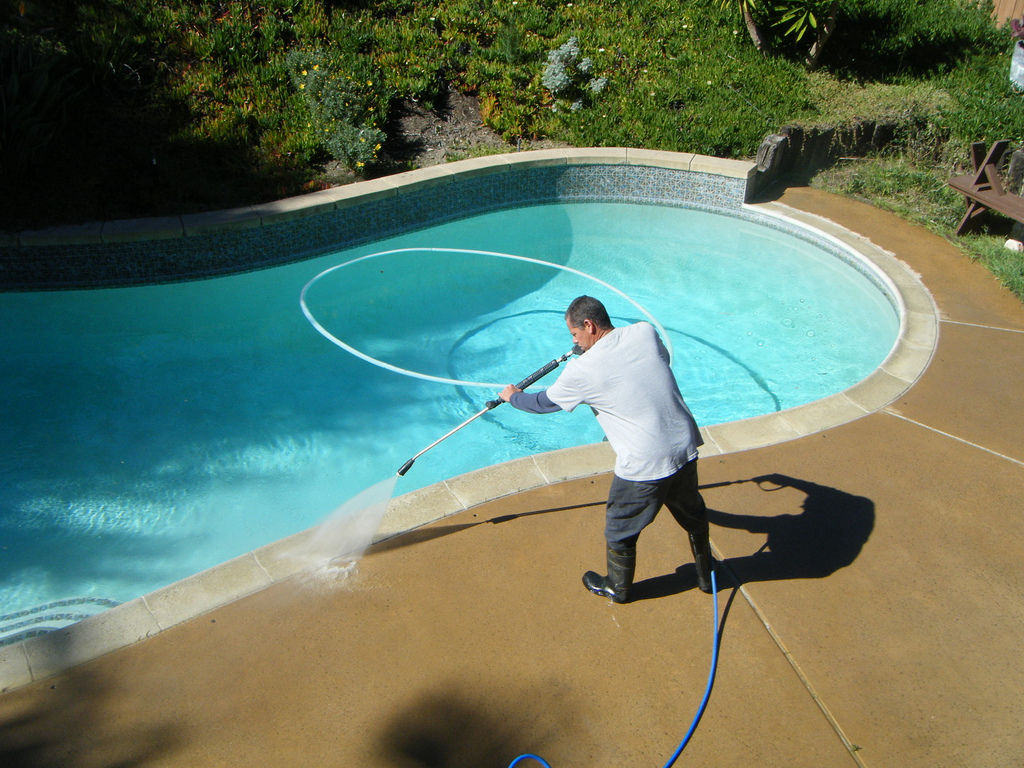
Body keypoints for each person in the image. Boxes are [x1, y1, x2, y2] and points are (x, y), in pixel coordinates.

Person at [499, 295, 714, 603]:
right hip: (684, 445)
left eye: (575, 334)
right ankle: (708, 575)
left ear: (589, 325)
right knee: (692, 511)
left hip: (644, 464)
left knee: (619, 529)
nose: (575, 341)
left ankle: (618, 587)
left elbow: (543, 404)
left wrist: (513, 397)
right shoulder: (645, 332)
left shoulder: (581, 371)